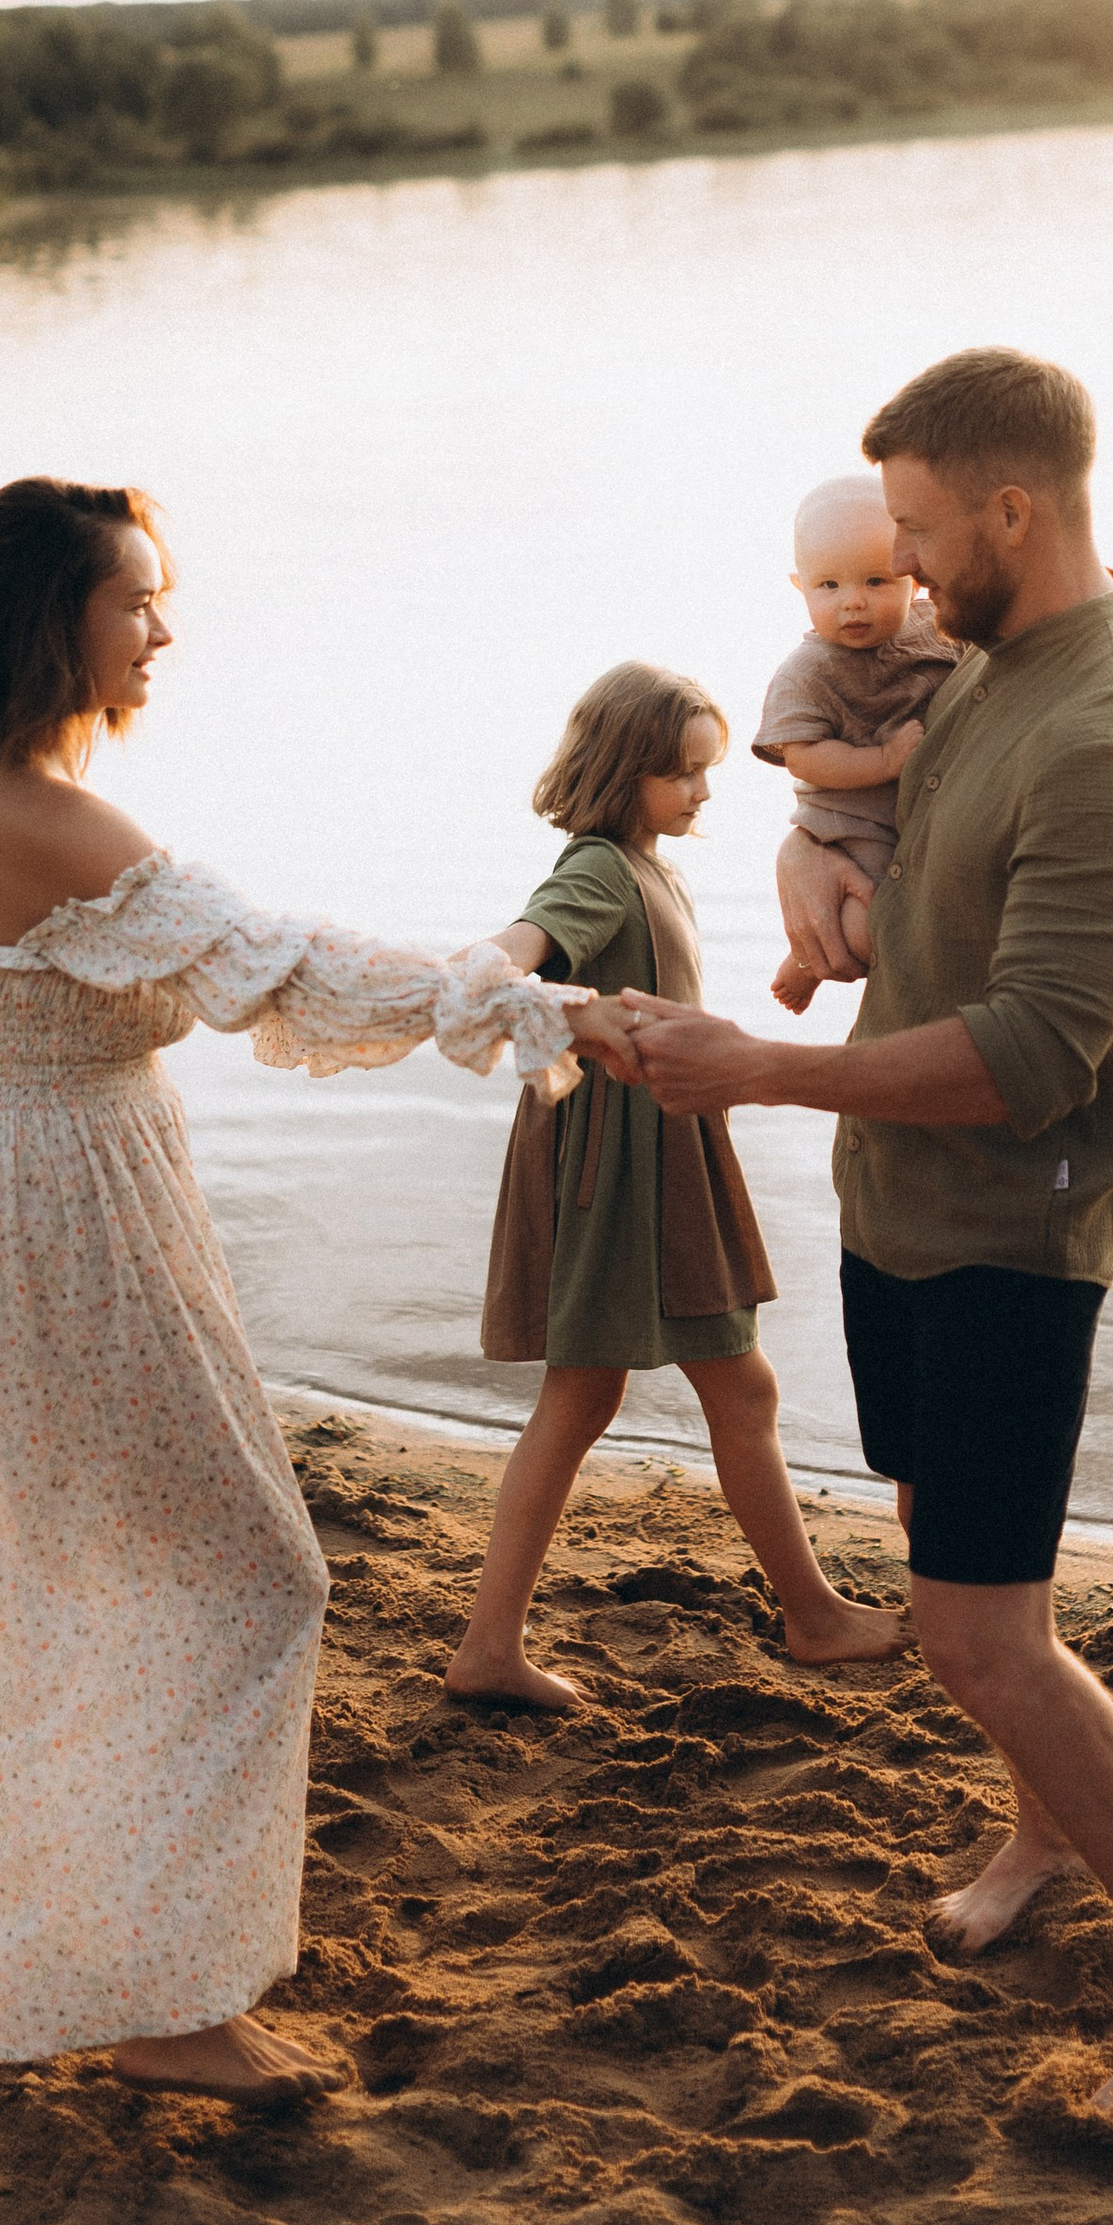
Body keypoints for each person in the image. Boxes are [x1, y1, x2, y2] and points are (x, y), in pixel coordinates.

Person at [0, 475, 618, 2096]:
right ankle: (165, 2001)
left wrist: (478, 986)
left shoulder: (4, 789)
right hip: (68, 1222)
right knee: (245, 1573)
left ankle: (95, 1931)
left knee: (113, 1571)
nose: (163, 628)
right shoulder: (43, 810)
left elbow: (236, 962)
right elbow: (278, 965)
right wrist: (509, 996)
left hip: (45, 1203)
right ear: (49, 615)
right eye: (133, 598)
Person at [622, 349, 1113, 2120]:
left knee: (982, 1635)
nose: (889, 568)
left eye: (914, 526)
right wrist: (805, 886)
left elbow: (1038, 1056)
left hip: (1007, 1227)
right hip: (897, 1202)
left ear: (1012, 508)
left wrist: (761, 1065)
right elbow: (894, 848)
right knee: (951, 1550)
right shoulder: (984, 659)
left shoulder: (1110, 734)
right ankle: (1036, 1840)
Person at [447, 662, 909, 1707]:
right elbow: (523, 944)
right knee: (608, 1393)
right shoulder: (601, 869)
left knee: (678, 1390)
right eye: (680, 774)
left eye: (705, 771)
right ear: (623, 771)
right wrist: (493, 971)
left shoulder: (647, 863)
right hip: (617, 1168)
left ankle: (805, 1609)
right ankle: (803, 1613)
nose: (702, 792)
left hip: (660, 1153)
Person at [752, 474, 961, 1010]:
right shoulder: (808, 671)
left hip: (915, 821)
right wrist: (883, 760)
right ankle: (806, 962)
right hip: (850, 825)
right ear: (801, 586)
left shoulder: (938, 632)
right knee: (869, 934)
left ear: (913, 581)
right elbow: (804, 756)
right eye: (830, 587)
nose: (853, 604)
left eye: (876, 581)